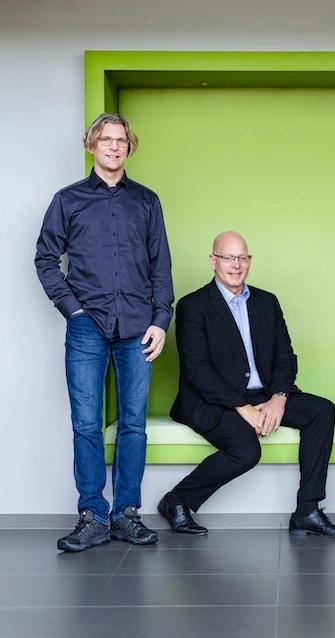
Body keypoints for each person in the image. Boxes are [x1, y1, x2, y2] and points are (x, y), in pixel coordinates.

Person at [35, 113, 174, 551]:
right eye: (106, 140)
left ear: (129, 147)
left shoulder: (147, 201)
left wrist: (161, 320)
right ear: (91, 145)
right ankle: (93, 515)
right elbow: (44, 259)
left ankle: (127, 513)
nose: (114, 147)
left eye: (121, 140)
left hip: (138, 328)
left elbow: (161, 266)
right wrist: (72, 309)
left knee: (133, 424)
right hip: (87, 328)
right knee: (87, 423)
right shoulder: (68, 200)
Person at [159, 231, 335, 537]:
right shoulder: (193, 306)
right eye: (228, 257)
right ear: (213, 261)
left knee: (321, 411)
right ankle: (177, 500)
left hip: (264, 394)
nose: (236, 265)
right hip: (212, 400)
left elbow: (286, 356)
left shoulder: (267, 302)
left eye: (242, 258)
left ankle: (307, 510)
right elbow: (199, 370)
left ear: (249, 262)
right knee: (245, 450)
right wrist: (242, 407)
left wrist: (279, 397)